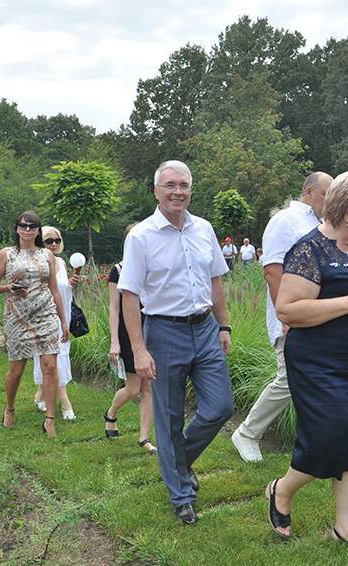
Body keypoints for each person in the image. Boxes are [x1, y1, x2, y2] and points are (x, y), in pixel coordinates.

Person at [265, 171, 348, 552]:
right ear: (347, 212)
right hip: (318, 362)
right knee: (330, 434)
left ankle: (346, 527)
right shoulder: (308, 251)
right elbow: (288, 309)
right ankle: (281, 489)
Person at [118, 160, 234, 525]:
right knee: (168, 419)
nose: (178, 191)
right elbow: (129, 296)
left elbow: (216, 281)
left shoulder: (204, 229)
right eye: (170, 185)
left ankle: (177, 462)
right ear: (156, 191)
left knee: (220, 407)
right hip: (164, 332)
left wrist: (224, 325)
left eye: (184, 184)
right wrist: (138, 349)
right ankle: (181, 494)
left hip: (204, 330)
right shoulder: (141, 236)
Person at [231, 172, 332, 462]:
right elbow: (273, 270)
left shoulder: (322, 225)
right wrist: (284, 314)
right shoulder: (285, 220)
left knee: (315, 378)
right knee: (289, 379)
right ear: (309, 192)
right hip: (291, 315)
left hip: (317, 314)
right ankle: (248, 433)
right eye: (327, 194)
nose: (331, 200)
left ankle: (316, 438)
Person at [0, 211, 69, 438]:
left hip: (46, 314)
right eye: (24, 225)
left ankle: (50, 419)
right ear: (17, 228)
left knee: (50, 367)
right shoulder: (7, 254)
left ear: (38, 230)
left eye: (33, 226)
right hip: (17, 316)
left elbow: (54, 289)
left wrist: (63, 321)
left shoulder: (47, 255)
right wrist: (7, 288)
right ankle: (10, 407)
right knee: (16, 369)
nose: (28, 229)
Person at [104, 224, 156, 454]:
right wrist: (114, 341)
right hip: (128, 331)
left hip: (154, 328)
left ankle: (144, 438)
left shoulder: (154, 265)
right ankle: (111, 413)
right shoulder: (118, 269)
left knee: (150, 387)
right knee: (134, 387)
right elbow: (114, 308)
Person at [32, 226, 79, 420]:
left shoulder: (60, 261)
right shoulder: (35, 262)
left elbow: (62, 291)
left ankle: (41, 393)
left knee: (61, 356)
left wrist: (71, 284)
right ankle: (64, 399)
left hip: (61, 318)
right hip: (42, 318)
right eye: (48, 241)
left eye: (56, 241)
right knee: (47, 358)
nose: (53, 244)